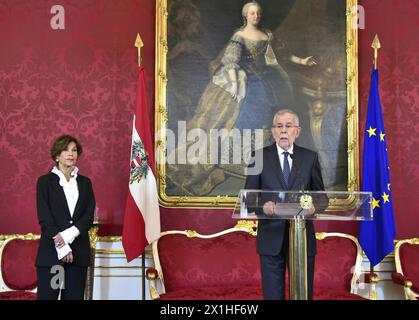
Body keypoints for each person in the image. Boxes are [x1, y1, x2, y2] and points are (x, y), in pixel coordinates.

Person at [167, 1, 316, 196]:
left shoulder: (267, 34)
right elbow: (230, 61)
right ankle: (236, 159)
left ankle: (260, 160)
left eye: (258, 13)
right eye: (252, 13)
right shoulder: (239, 36)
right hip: (242, 78)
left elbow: (283, 54)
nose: (256, 16)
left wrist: (302, 61)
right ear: (246, 16)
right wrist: (235, 85)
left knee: (266, 113)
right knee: (245, 112)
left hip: (265, 78)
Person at [244, 109, 325, 300]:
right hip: (271, 238)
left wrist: (314, 207)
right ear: (273, 131)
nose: (283, 131)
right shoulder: (258, 157)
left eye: (288, 126)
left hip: (302, 239)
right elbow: (249, 199)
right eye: (279, 126)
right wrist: (263, 207)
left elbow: (322, 197)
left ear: (297, 131)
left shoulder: (310, 158)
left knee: (303, 294)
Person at [35, 135, 96, 300]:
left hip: (78, 257)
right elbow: (45, 219)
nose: (71, 154)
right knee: (50, 297)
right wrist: (62, 247)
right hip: (53, 257)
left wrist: (67, 236)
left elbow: (88, 217)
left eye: (74, 150)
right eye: (65, 150)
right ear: (57, 155)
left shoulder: (85, 183)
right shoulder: (45, 182)